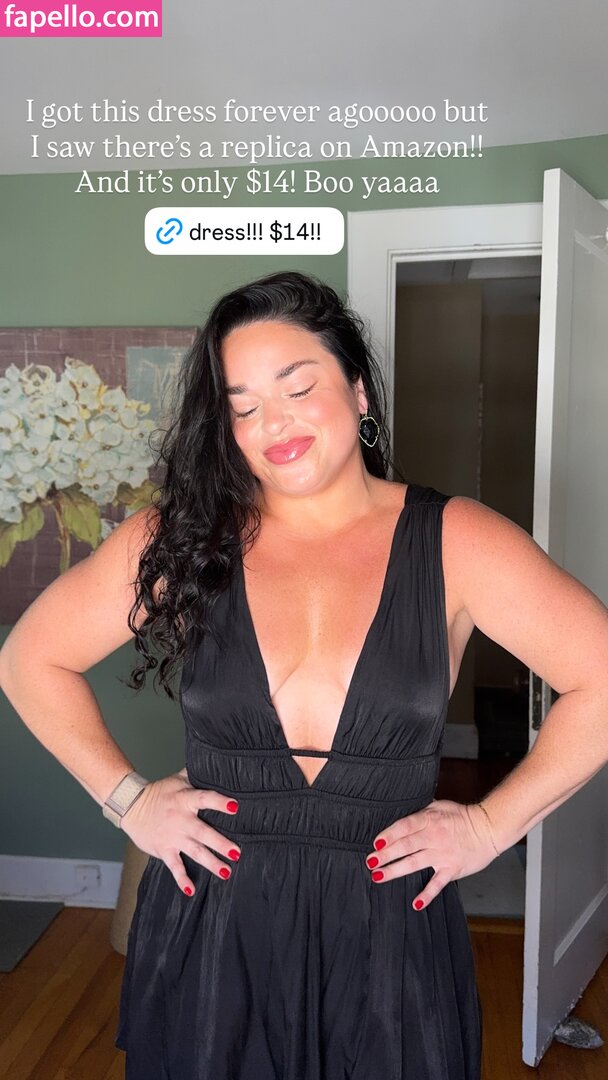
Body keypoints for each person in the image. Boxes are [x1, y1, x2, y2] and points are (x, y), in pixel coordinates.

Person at [1, 271, 608, 1080]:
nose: (273, 424)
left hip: (387, 935)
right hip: (215, 934)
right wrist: (128, 800)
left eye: (297, 387)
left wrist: (491, 827)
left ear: (358, 392)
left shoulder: (458, 541)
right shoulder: (182, 538)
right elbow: (30, 659)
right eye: (244, 406)